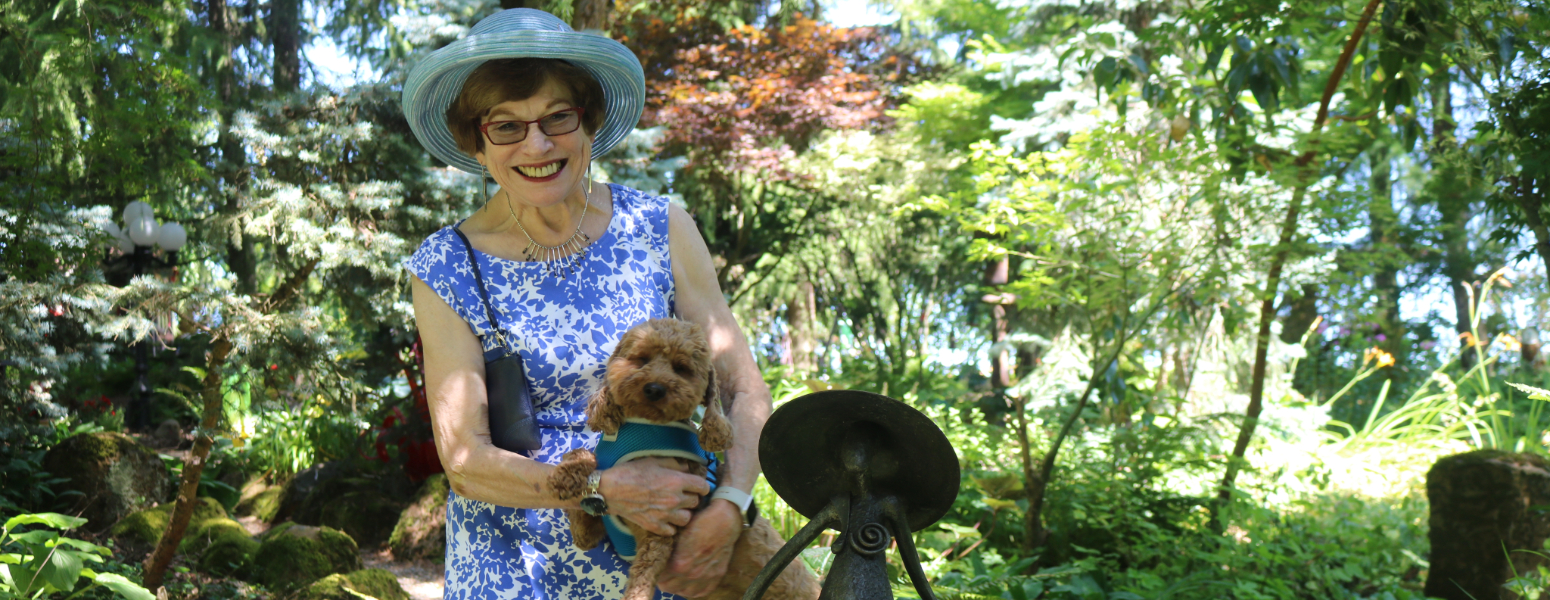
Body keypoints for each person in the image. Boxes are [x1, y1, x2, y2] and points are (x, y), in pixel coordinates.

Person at [401, 8, 771, 600]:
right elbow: (464, 458)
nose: (537, 145)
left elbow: (742, 386)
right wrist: (601, 488)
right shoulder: (446, 266)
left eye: (558, 117)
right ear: (477, 143)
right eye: (507, 127)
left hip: (672, 556)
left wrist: (730, 506)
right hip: (514, 570)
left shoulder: (661, 227)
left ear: (590, 122)